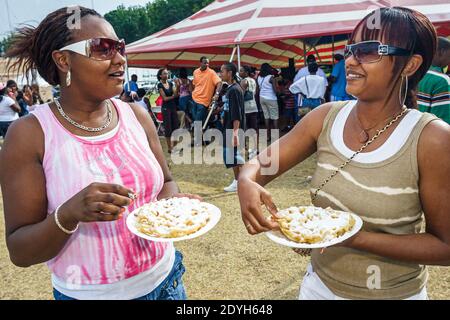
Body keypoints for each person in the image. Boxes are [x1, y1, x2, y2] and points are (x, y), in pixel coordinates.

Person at [237, 7, 450, 300]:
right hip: (318, 288)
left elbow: (445, 246)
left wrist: (353, 237)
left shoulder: (432, 139)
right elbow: (262, 164)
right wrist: (247, 180)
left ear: (410, 65)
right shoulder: (325, 117)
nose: (350, 60)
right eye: (351, 49)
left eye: (369, 50)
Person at [1, 6, 199, 300]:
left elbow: (166, 183)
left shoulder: (137, 115)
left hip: (167, 282)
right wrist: (69, 214)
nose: (120, 58)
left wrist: (171, 212)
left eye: (120, 47)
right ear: (63, 60)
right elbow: (20, 250)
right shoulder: (30, 135)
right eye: (102, 48)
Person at [220, 63, 245, 192]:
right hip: (228, 126)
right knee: (231, 155)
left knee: (234, 156)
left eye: (222, 71)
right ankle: (240, 180)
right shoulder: (229, 89)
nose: (220, 74)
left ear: (229, 73)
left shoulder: (235, 90)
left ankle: (239, 181)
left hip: (233, 128)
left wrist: (235, 132)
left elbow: (237, 113)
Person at [417, 36, 450, 123]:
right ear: (441, 52)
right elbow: (443, 121)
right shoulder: (441, 80)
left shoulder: (412, 72)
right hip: (430, 133)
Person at [191, 57, 222, 127]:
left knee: (198, 122)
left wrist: (216, 94)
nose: (207, 64)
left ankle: (198, 137)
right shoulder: (195, 72)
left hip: (204, 102)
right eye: (205, 63)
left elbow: (219, 83)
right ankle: (199, 136)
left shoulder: (211, 72)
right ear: (200, 63)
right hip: (194, 99)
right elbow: (195, 84)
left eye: (208, 63)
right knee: (196, 121)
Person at [157, 68, 180, 153]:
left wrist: (178, 86)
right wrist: (174, 96)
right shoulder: (160, 85)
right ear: (160, 75)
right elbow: (165, 98)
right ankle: (170, 148)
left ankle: (175, 147)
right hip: (166, 108)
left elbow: (176, 93)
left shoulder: (170, 83)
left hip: (173, 107)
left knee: (175, 126)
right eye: (164, 74)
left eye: (167, 73)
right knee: (168, 128)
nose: (166, 75)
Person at [239, 65, 259, 159]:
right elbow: (255, 92)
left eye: (241, 71)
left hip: (245, 108)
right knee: (254, 129)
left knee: (244, 129)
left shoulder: (243, 81)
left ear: (246, 73)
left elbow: (241, 95)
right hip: (253, 107)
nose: (240, 72)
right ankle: (255, 148)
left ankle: (245, 148)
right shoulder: (253, 80)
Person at [257, 63, 279, 139]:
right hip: (271, 98)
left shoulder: (259, 77)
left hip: (262, 98)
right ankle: (275, 137)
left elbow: (258, 89)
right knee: (275, 117)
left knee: (266, 117)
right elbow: (275, 90)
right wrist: (279, 93)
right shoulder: (271, 77)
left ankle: (268, 136)